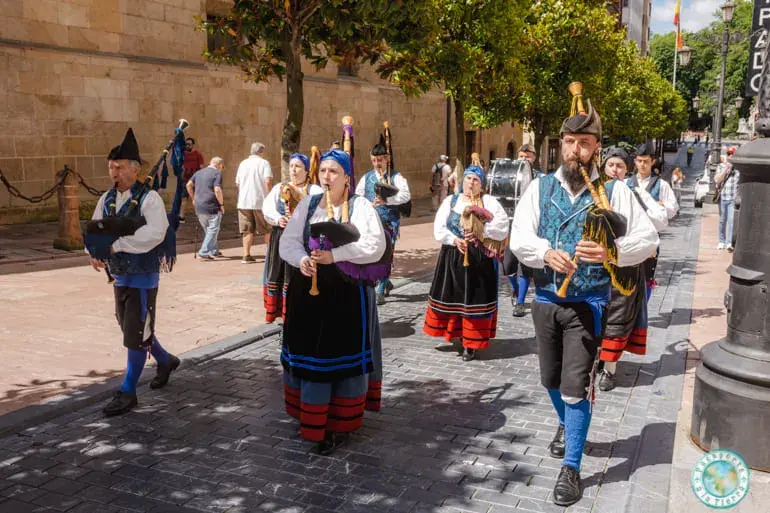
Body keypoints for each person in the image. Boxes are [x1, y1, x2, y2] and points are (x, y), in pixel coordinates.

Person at [509, 86, 659, 506]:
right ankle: (569, 425)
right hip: (545, 300)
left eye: (586, 143)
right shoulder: (539, 188)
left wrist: (611, 251)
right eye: (570, 142)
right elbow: (519, 236)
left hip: (589, 304)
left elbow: (648, 241)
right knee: (550, 381)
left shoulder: (614, 191)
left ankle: (571, 467)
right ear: (561, 145)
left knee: (576, 387)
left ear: (596, 148)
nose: (577, 150)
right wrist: (544, 253)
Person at [278, 148, 386, 455]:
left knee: (340, 358)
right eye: (323, 171)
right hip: (308, 296)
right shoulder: (309, 204)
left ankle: (338, 424)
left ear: (346, 179)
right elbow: (288, 242)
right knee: (311, 357)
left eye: (334, 172)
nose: (327, 177)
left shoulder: (360, 206)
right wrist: (302, 260)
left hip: (346, 295)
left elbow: (374, 245)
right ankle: (310, 419)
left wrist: (334, 256)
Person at [88, 128, 181, 417]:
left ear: (135, 168)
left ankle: (128, 391)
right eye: (111, 168)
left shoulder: (149, 198)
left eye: (119, 167)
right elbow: (94, 230)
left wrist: (116, 246)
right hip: (120, 276)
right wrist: (94, 253)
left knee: (136, 332)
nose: (114, 173)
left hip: (143, 276)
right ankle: (164, 360)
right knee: (133, 328)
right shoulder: (106, 199)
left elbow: (156, 233)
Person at [596, 148, 668, 392]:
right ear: (604, 167)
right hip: (597, 265)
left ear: (627, 170)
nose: (615, 170)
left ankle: (609, 369)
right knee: (598, 314)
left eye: (620, 166)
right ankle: (598, 359)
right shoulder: (594, 192)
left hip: (625, 266)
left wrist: (645, 209)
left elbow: (661, 220)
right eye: (611, 165)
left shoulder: (635, 193)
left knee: (618, 317)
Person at [423, 165, 509, 362]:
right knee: (455, 298)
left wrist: (482, 232)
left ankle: (470, 343)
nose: (471, 183)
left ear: (482, 185)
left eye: (476, 180)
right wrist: (454, 239)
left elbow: (502, 226)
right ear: (463, 181)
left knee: (473, 301)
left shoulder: (488, 202)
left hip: (479, 262)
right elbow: (439, 227)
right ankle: (456, 334)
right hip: (453, 257)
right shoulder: (450, 201)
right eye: (468, 179)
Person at [261, 152, 322, 323]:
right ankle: (277, 311)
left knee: (298, 274)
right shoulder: (280, 188)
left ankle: (299, 310)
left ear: (306, 170)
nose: (293, 170)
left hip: (303, 238)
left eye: (298, 167)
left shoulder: (314, 190)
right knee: (278, 272)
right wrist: (278, 218)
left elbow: (320, 210)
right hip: (281, 236)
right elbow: (267, 207)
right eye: (291, 166)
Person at [356, 134, 411, 305]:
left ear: (387, 159)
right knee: (373, 252)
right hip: (370, 222)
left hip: (388, 222)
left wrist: (388, 201)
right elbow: (358, 196)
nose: (377, 163)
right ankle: (383, 281)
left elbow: (406, 195)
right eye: (374, 160)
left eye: (380, 159)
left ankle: (380, 288)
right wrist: (368, 204)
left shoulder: (396, 177)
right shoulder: (366, 178)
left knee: (386, 254)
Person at [626, 142, 678, 301]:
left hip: (650, 238)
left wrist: (659, 206)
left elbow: (673, 208)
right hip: (629, 237)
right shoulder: (626, 183)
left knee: (647, 275)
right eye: (639, 161)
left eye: (646, 161)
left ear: (652, 162)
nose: (642, 164)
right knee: (628, 274)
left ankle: (643, 312)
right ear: (635, 161)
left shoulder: (661, 185)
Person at [235, 142, 273, 263]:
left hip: (243, 202)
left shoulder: (242, 164)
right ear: (261, 151)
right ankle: (270, 254)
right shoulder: (264, 163)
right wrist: (270, 196)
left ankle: (246, 255)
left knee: (247, 229)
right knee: (267, 228)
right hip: (260, 201)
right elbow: (267, 181)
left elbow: (238, 183)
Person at [186, 157, 225, 260]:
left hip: (199, 204)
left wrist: (193, 198)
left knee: (209, 229)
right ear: (219, 165)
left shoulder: (199, 172)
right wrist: (221, 204)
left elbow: (188, 185)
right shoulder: (217, 173)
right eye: (222, 166)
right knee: (213, 229)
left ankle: (213, 250)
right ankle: (203, 252)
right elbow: (217, 190)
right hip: (211, 204)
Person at [715, 147, 740, 252]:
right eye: (729, 153)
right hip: (723, 197)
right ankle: (721, 241)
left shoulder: (739, 169)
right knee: (722, 220)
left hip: (733, 198)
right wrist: (725, 171)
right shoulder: (721, 166)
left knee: (731, 221)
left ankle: (729, 243)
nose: (731, 155)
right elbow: (717, 180)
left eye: (732, 154)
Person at [180, 138, 205, 223]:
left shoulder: (198, 154)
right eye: (186, 144)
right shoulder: (183, 155)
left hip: (195, 180)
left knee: (196, 198)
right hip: (185, 180)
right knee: (184, 198)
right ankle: (181, 216)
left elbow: (201, 167)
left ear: (193, 145)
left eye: (189, 144)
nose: (188, 146)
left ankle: (199, 215)